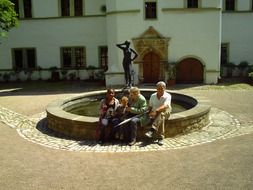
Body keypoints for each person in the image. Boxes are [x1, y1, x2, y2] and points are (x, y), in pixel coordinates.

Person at [144, 81, 172, 146]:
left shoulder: (168, 96)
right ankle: (160, 138)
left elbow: (165, 106)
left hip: (166, 111)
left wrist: (156, 111)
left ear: (164, 88)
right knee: (160, 117)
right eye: (158, 88)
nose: (159, 90)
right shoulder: (153, 96)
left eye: (161, 88)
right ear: (156, 88)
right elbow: (150, 106)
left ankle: (152, 130)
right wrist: (147, 111)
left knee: (161, 114)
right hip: (156, 112)